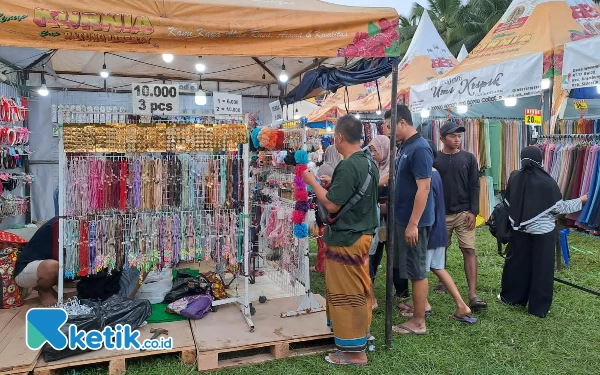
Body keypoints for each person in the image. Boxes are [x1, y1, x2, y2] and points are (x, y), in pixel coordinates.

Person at [303, 115, 379, 365]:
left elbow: (333, 204)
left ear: (339, 137)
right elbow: (348, 192)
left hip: (348, 238)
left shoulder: (348, 165)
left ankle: (353, 352)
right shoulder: (369, 162)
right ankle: (361, 336)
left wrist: (313, 181)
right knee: (360, 288)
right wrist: (331, 183)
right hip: (363, 235)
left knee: (347, 293)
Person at [500, 146, 587, 318]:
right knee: (542, 270)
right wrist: (582, 200)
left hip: (519, 231)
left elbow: (508, 202)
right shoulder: (546, 182)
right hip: (543, 233)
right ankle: (538, 308)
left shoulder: (515, 177)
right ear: (540, 160)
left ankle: (512, 298)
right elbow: (558, 208)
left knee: (517, 265)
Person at [397, 141, 476, 324]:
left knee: (420, 271)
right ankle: (461, 304)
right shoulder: (436, 173)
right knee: (437, 267)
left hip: (429, 230)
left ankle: (423, 306)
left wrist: (415, 225)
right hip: (438, 228)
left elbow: (426, 204)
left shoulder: (426, 178)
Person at [386, 105, 433, 336]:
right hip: (403, 217)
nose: (388, 132)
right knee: (409, 265)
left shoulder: (420, 149)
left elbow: (424, 188)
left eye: (390, 126)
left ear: (402, 122)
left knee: (416, 268)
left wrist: (413, 223)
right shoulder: (404, 146)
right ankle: (418, 306)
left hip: (416, 221)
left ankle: (419, 320)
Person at [434, 121, 487, 311]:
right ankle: (442, 282)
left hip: (464, 212)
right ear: (442, 138)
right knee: (441, 250)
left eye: (459, 136)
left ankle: (472, 294)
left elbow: (475, 186)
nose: (457, 139)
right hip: (441, 213)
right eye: (452, 136)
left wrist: (474, 211)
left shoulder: (468, 158)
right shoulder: (435, 159)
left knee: (469, 249)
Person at [366, 135, 390, 310]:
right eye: (371, 150)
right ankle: (370, 285)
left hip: (388, 218)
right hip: (376, 217)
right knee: (374, 251)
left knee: (386, 249)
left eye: (376, 150)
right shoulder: (372, 166)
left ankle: (400, 290)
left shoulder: (392, 168)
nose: (373, 153)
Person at [14, 217, 59, 306]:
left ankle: (45, 286)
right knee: (53, 266)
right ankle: (44, 290)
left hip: (39, 267)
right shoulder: (58, 224)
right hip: (24, 270)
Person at [312, 146, 342, 273]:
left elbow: (318, 187)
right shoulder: (341, 169)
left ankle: (321, 265)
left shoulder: (325, 168)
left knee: (323, 238)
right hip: (337, 210)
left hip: (324, 207)